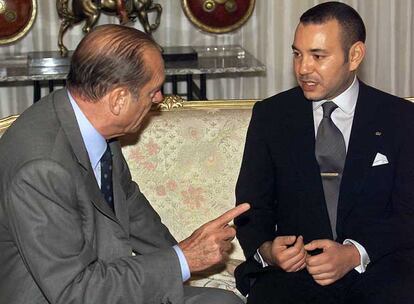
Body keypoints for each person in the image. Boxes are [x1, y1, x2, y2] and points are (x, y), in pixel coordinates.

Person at [0, 24, 249, 304]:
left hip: (102, 282)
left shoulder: (94, 127)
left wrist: (184, 253)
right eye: (153, 90)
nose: (158, 99)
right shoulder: (41, 169)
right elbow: (75, 292)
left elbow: (130, 206)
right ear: (118, 99)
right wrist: (182, 259)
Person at [234, 2, 414, 304]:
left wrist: (354, 253)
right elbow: (252, 207)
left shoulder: (400, 117)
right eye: (297, 54)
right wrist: (268, 250)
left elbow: (409, 212)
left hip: (381, 269)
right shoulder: (272, 116)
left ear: (354, 55)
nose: (303, 68)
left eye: (318, 56)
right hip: (293, 276)